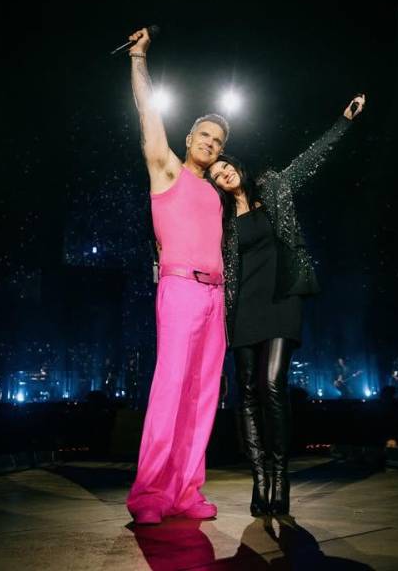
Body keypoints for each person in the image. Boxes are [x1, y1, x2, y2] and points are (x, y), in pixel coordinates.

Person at [207, 94, 366, 516]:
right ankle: (260, 478)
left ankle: (281, 476)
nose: (222, 173)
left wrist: (342, 123)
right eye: (216, 173)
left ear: (237, 165)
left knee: (273, 384)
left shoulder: (274, 186)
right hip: (242, 308)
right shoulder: (220, 221)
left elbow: (312, 159)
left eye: (226, 166)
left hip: (281, 298)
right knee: (245, 393)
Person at [124, 27, 229, 525]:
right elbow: (148, 112)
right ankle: (150, 494)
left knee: (203, 395)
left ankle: (186, 490)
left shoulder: (217, 192)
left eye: (218, 140)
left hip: (216, 299)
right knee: (170, 390)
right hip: (181, 289)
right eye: (203, 135)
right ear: (188, 140)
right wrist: (139, 58)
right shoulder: (166, 170)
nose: (210, 142)